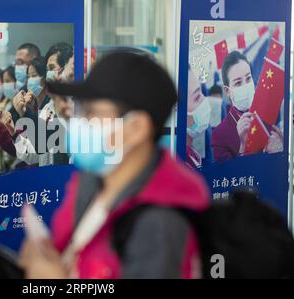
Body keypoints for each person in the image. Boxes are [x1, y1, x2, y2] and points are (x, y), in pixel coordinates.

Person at [19, 52, 210, 279]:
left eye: (91, 113)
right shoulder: (89, 186)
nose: (80, 123)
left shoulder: (159, 226)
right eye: (81, 111)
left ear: (136, 128)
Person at [212, 51, 283, 162]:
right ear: (227, 91)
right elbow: (230, 177)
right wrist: (243, 146)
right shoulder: (219, 136)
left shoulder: (268, 113)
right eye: (238, 83)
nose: (245, 86)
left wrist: (280, 148)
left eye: (248, 78)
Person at [186, 66, 213, 169]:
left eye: (201, 93)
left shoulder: (192, 156)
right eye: (197, 96)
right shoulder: (184, 165)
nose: (204, 100)